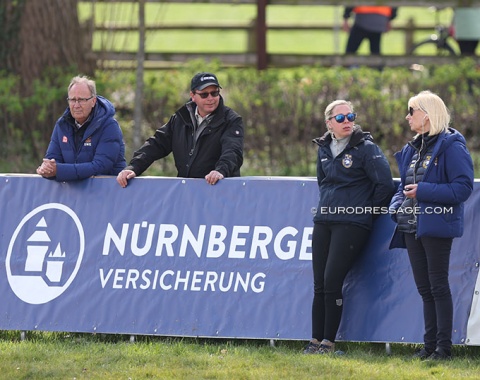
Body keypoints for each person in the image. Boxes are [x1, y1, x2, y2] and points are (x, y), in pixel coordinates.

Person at [303, 100, 395, 354]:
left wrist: (365, 213)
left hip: (352, 224)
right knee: (319, 284)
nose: (347, 122)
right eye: (340, 118)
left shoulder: (367, 148)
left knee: (333, 282)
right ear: (329, 123)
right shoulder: (323, 148)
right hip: (324, 221)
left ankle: (328, 343)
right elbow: (323, 183)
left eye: (350, 116)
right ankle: (314, 342)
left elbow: (385, 186)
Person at [389, 91, 474, 361]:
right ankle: (429, 346)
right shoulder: (414, 147)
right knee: (425, 288)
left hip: (436, 225)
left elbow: (462, 188)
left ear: (427, 114)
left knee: (437, 286)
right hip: (412, 225)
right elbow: (403, 187)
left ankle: (443, 349)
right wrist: (395, 206)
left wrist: (423, 191)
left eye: (411, 111)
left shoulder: (452, 145)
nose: (407, 116)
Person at [116, 72, 243, 187]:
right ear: (193, 96)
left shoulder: (232, 120)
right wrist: (133, 167)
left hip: (219, 190)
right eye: (204, 94)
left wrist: (220, 171)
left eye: (214, 93)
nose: (210, 98)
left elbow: (233, 152)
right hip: (186, 192)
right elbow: (156, 144)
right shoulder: (180, 118)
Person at [36, 75, 126, 181]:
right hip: (72, 195)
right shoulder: (62, 125)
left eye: (81, 100)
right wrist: (47, 169)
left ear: (93, 101)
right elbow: (52, 161)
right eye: (72, 100)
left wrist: (59, 170)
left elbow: (100, 167)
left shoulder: (109, 126)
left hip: (108, 193)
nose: (76, 105)